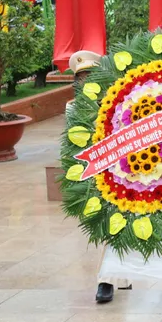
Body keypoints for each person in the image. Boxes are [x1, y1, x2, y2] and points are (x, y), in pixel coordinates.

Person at [71, 50, 131, 305]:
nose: (86, 82)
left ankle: (109, 279)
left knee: (118, 222)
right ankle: (114, 277)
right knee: (109, 225)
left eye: (91, 76)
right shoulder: (72, 108)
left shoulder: (119, 102)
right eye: (81, 77)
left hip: (122, 170)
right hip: (95, 173)